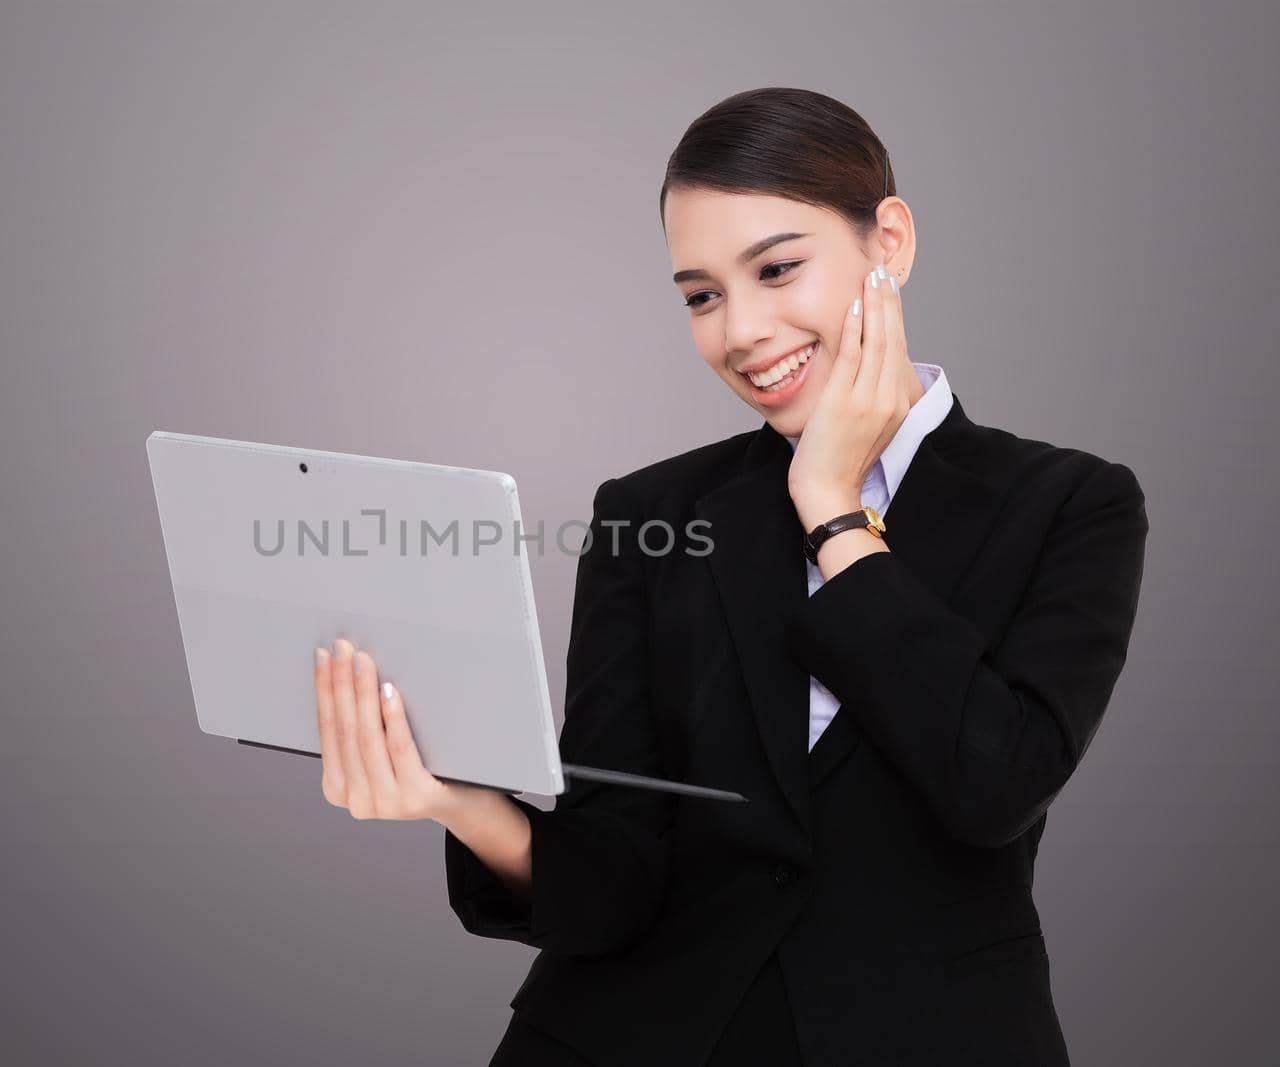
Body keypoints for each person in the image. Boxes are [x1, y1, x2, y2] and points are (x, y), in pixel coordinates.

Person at [310, 87, 1149, 1067]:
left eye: (778, 268)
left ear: (889, 241)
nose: (740, 331)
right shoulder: (649, 512)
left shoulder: (1067, 501)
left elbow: (992, 781)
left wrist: (833, 508)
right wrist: (455, 798)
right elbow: (614, 871)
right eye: (701, 295)